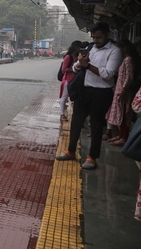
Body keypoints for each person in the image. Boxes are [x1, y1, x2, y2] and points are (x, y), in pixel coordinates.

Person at [56, 21, 122, 170]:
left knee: (96, 125)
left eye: (98, 37)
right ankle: (70, 151)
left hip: (101, 92)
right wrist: (79, 64)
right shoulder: (91, 48)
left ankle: (92, 157)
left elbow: (108, 74)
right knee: (76, 122)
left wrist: (87, 65)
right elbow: (75, 67)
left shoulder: (114, 52)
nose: (95, 40)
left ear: (107, 35)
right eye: (93, 37)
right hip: (84, 90)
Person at [105, 39, 141, 146]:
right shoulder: (124, 59)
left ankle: (124, 137)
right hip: (120, 89)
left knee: (125, 114)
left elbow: (129, 77)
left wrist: (124, 90)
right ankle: (120, 135)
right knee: (120, 113)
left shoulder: (128, 60)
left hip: (124, 91)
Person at [59, 40, 82, 121]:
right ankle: (62, 114)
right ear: (76, 47)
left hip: (75, 80)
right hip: (67, 80)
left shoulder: (78, 57)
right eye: (80, 47)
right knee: (64, 97)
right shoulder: (68, 57)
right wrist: (74, 69)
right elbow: (63, 69)